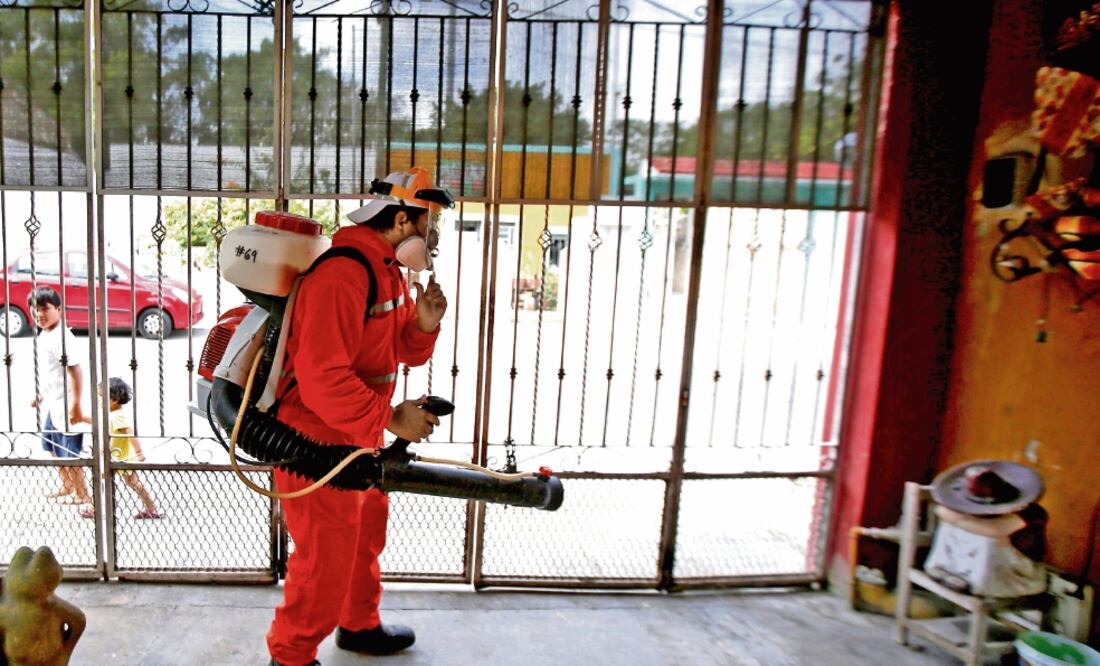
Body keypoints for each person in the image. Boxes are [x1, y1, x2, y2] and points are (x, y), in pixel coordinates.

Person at [266, 167, 450, 666]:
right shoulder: (344, 273)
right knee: (324, 560)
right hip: (315, 445)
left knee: (364, 536)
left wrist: (423, 327)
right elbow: (324, 377)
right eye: (427, 223)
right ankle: (290, 657)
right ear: (400, 218)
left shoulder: (385, 268)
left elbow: (393, 353)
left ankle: (359, 624)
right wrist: (391, 417)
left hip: (353, 438)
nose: (432, 235)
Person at [27, 287, 91, 513]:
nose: (39, 314)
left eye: (44, 309)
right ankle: (67, 485)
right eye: (35, 310)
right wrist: (41, 395)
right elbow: (53, 373)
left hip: (68, 407)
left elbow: (76, 372)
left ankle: (83, 496)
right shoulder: (45, 334)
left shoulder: (63, 338)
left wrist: (76, 405)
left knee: (70, 453)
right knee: (51, 446)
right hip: (54, 404)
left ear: (59, 310)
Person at [99, 377, 161, 520]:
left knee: (131, 482)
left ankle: (151, 508)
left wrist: (139, 452)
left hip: (121, 457)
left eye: (102, 398)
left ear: (113, 400)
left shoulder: (117, 416)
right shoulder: (113, 414)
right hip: (114, 455)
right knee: (104, 480)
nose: (100, 401)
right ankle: (150, 507)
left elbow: (129, 432)